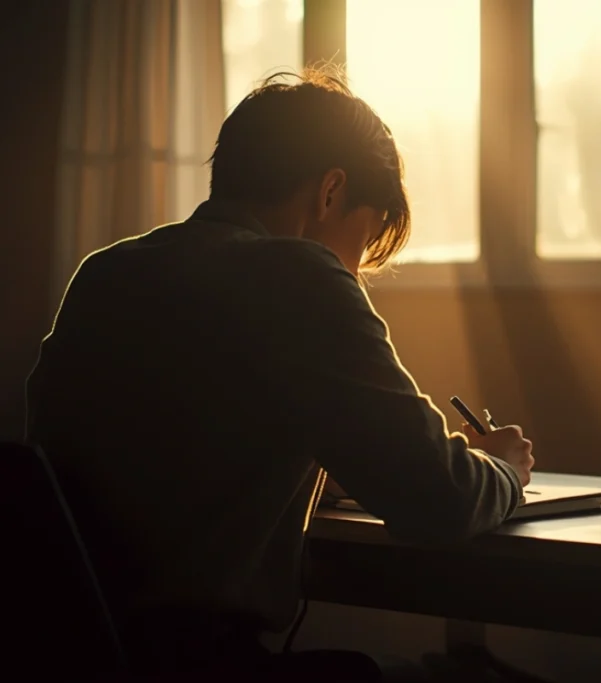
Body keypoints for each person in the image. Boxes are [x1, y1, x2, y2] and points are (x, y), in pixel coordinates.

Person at [24, 64, 535, 681]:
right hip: (206, 662)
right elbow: (441, 503)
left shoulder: (104, 275)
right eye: (362, 240)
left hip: (72, 654)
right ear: (330, 192)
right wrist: (504, 469)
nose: (352, 272)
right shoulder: (298, 277)